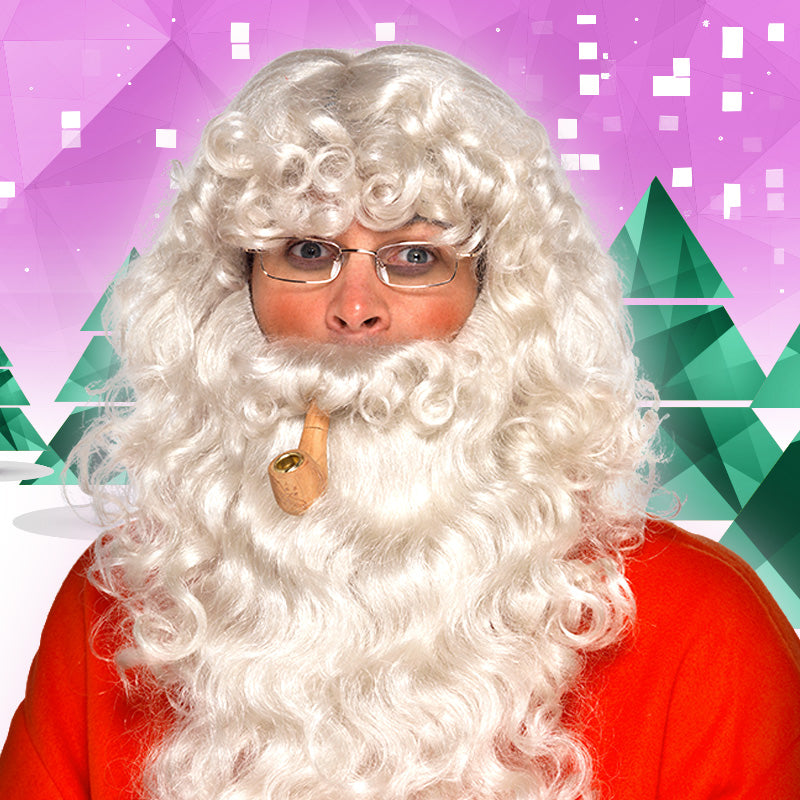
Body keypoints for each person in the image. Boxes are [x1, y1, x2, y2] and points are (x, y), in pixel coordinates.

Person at [1, 45, 798, 800]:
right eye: (308, 252)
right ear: (232, 294)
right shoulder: (118, 611)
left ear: (500, 298)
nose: (355, 310)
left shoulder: (702, 627)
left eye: (415, 257)